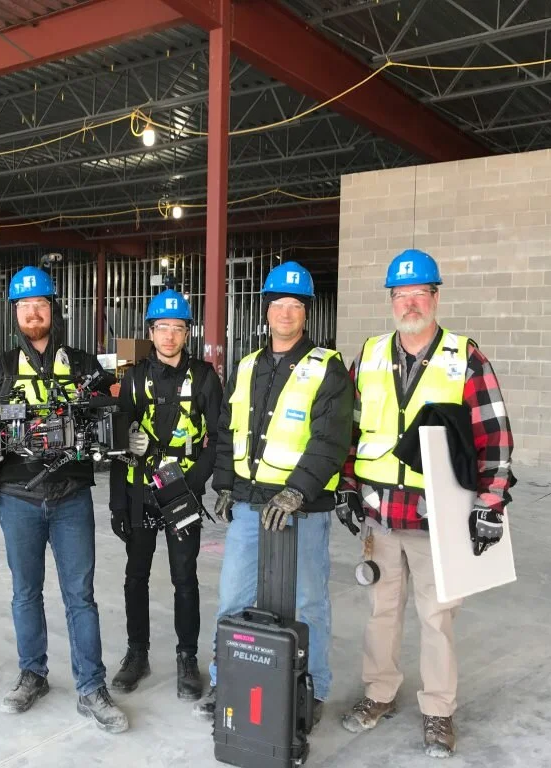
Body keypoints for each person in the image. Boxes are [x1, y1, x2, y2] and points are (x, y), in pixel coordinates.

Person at [337, 249, 515, 758]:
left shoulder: (465, 357)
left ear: (435, 297)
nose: (409, 303)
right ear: (390, 300)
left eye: (419, 293)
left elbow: (494, 435)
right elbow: (348, 428)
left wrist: (491, 502)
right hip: (380, 513)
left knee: (437, 616)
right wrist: (346, 485)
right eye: (401, 294)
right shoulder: (370, 355)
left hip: (436, 516)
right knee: (381, 611)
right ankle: (379, 693)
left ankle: (438, 709)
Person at [0, 265, 129, 733]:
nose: (33, 313)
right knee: (25, 592)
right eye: (24, 306)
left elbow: (109, 420)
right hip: (17, 498)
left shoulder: (83, 366)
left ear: (53, 310)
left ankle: (91, 686)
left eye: (40, 304)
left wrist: (122, 438)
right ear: (14, 313)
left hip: (71, 497)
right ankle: (32, 674)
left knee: (81, 595)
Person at [193, 261, 352, 727]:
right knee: (234, 598)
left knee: (307, 602)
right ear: (266, 310)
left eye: (295, 305)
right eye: (278, 304)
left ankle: (312, 689)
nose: (285, 313)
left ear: (307, 312)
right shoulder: (247, 367)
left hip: (303, 509)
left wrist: (297, 492)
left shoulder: (327, 367)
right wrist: (225, 483)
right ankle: (226, 681)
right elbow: (227, 431)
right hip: (249, 505)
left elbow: (331, 439)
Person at [107, 289, 222, 700]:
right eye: (162, 328)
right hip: (140, 488)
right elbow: (119, 442)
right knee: (135, 575)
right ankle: (137, 653)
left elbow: (217, 439)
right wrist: (117, 503)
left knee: (184, 577)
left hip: (182, 489)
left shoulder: (204, 377)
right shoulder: (134, 377)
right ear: (151, 332)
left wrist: (195, 485)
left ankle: (186, 657)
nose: (169, 335)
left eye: (177, 328)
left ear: (188, 332)